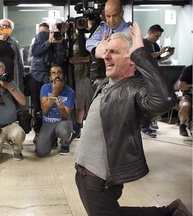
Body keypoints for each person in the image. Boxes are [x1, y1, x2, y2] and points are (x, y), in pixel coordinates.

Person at [73, 22, 191, 216]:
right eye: (107, 51)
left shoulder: (134, 89)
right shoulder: (109, 83)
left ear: (132, 60)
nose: (107, 56)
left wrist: (141, 54)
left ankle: (169, 213)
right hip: (86, 173)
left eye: (114, 52)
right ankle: (170, 212)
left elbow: (164, 99)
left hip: (100, 179)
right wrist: (98, 55)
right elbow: (96, 76)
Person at [29, 19, 66, 144]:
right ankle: (38, 132)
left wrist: (59, 44)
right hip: (37, 74)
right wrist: (49, 42)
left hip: (52, 76)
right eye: (56, 29)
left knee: (53, 104)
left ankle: (52, 134)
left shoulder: (61, 38)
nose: (57, 32)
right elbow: (34, 51)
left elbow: (60, 59)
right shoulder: (42, 35)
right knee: (37, 106)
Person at [86, 0, 131, 90]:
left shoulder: (130, 32)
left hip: (122, 80)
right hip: (102, 78)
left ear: (121, 13)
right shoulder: (104, 28)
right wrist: (100, 46)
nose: (111, 20)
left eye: (114, 16)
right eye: (108, 16)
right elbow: (88, 43)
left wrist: (108, 46)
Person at [141, 24, 175, 137]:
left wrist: (168, 55)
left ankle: (148, 122)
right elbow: (147, 57)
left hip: (153, 76)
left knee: (153, 100)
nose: (157, 39)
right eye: (156, 36)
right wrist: (160, 52)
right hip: (144, 76)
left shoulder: (154, 44)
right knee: (147, 101)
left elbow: (159, 60)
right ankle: (144, 126)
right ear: (150, 33)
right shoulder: (142, 43)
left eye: (159, 37)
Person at [35, 65, 75, 157]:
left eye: (59, 73)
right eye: (53, 73)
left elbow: (66, 116)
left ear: (62, 76)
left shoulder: (70, 92)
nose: (56, 75)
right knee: (40, 152)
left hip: (62, 123)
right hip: (47, 123)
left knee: (64, 131)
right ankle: (52, 139)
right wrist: (54, 92)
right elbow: (44, 110)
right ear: (50, 77)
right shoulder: (45, 88)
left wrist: (61, 108)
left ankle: (65, 144)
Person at [67, 18, 93, 140]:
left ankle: (78, 127)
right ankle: (75, 126)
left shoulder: (84, 40)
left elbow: (90, 57)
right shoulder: (67, 40)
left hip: (82, 75)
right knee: (73, 102)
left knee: (80, 102)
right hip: (70, 75)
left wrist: (77, 60)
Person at [178, 65, 192, 137]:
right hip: (188, 95)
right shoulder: (188, 69)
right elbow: (180, 86)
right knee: (185, 106)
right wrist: (191, 86)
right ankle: (182, 125)